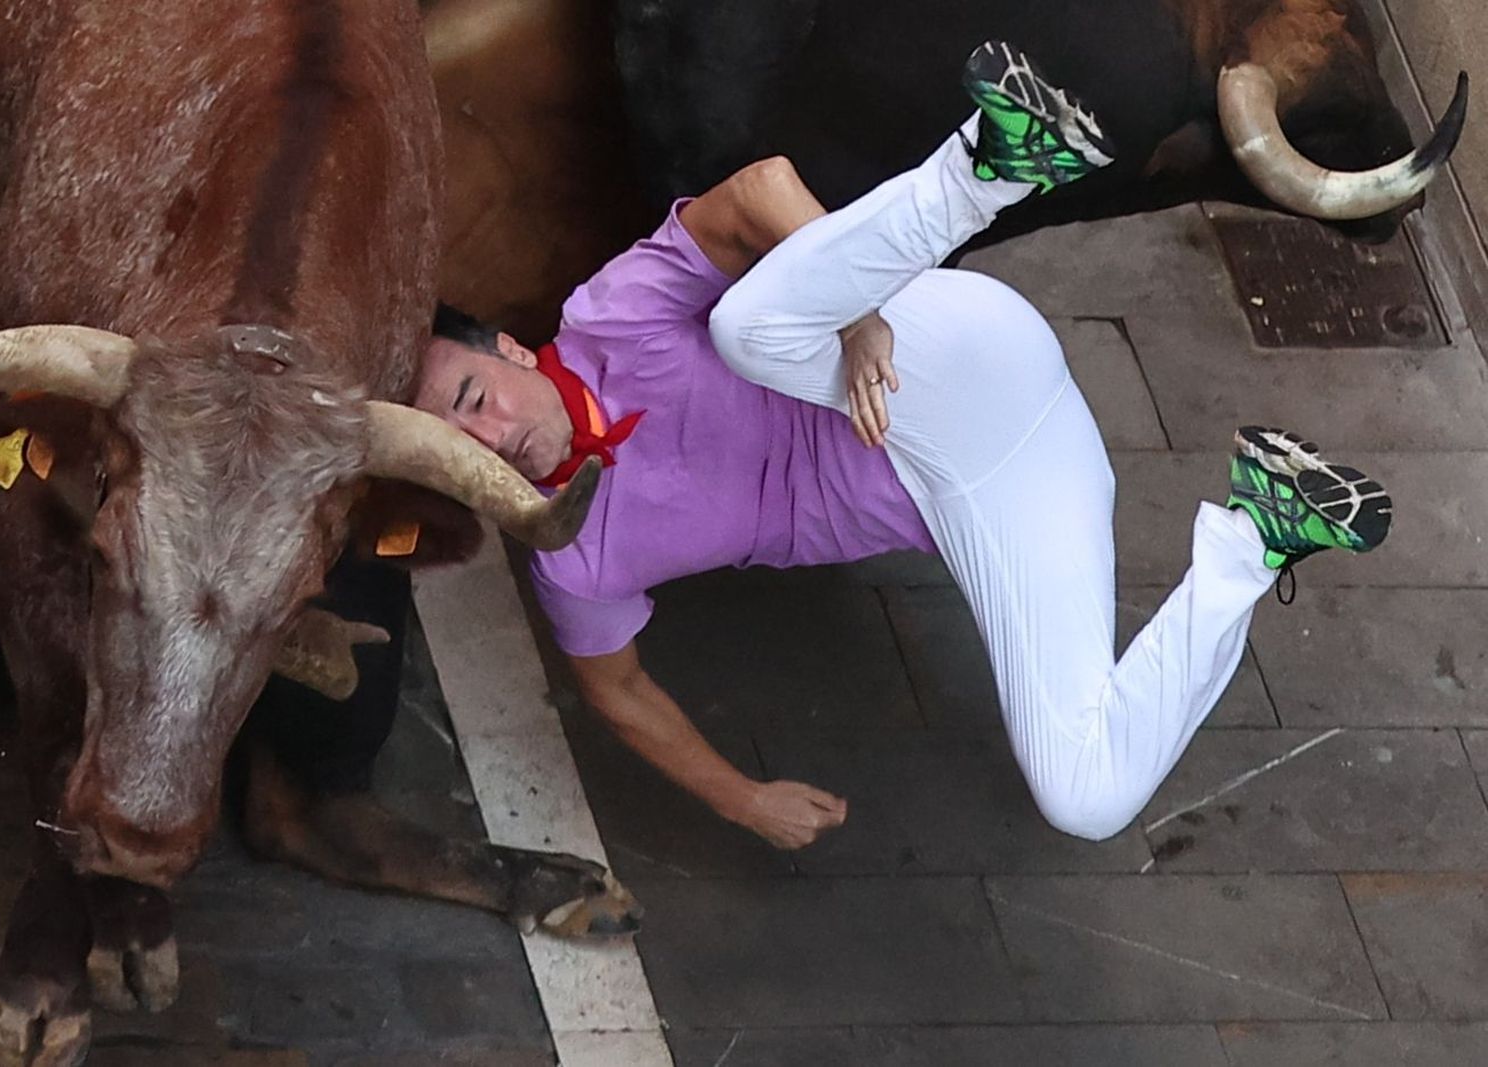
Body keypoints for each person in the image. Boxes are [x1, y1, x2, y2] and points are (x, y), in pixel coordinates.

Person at [412, 41, 1393, 849]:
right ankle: (1261, 529)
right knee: (1084, 796)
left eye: (471, 396)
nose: (488, 438)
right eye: (458, 445)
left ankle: (992, 157)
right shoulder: (572, 556)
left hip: (940, 353)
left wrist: (856, 315)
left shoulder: (605, 320)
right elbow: (619, 694)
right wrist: (740, 797)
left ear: (504, 345)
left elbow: (758, 189)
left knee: (745, 328)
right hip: (995, 480)